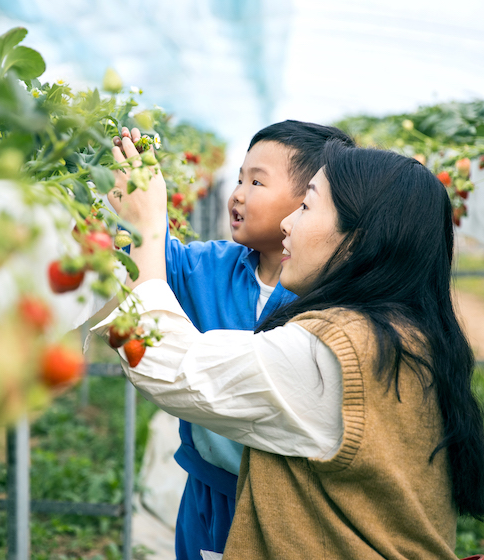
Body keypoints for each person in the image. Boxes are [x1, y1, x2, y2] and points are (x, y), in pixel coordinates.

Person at [95, 136, 484, 559]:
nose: (288, 223)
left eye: (306, 206)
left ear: (358, 239)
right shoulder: (404, 332)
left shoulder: (331, 358)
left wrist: (144, 224)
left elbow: (168, 365)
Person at [111, 121, 354, 559]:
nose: (238, 193)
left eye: (257, 181)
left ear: (310, 202)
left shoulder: (328, 298)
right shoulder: (213, 266)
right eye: (240, 178)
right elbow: (152, 263)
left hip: (283, 500)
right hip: (206, 487)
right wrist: (139, 200)